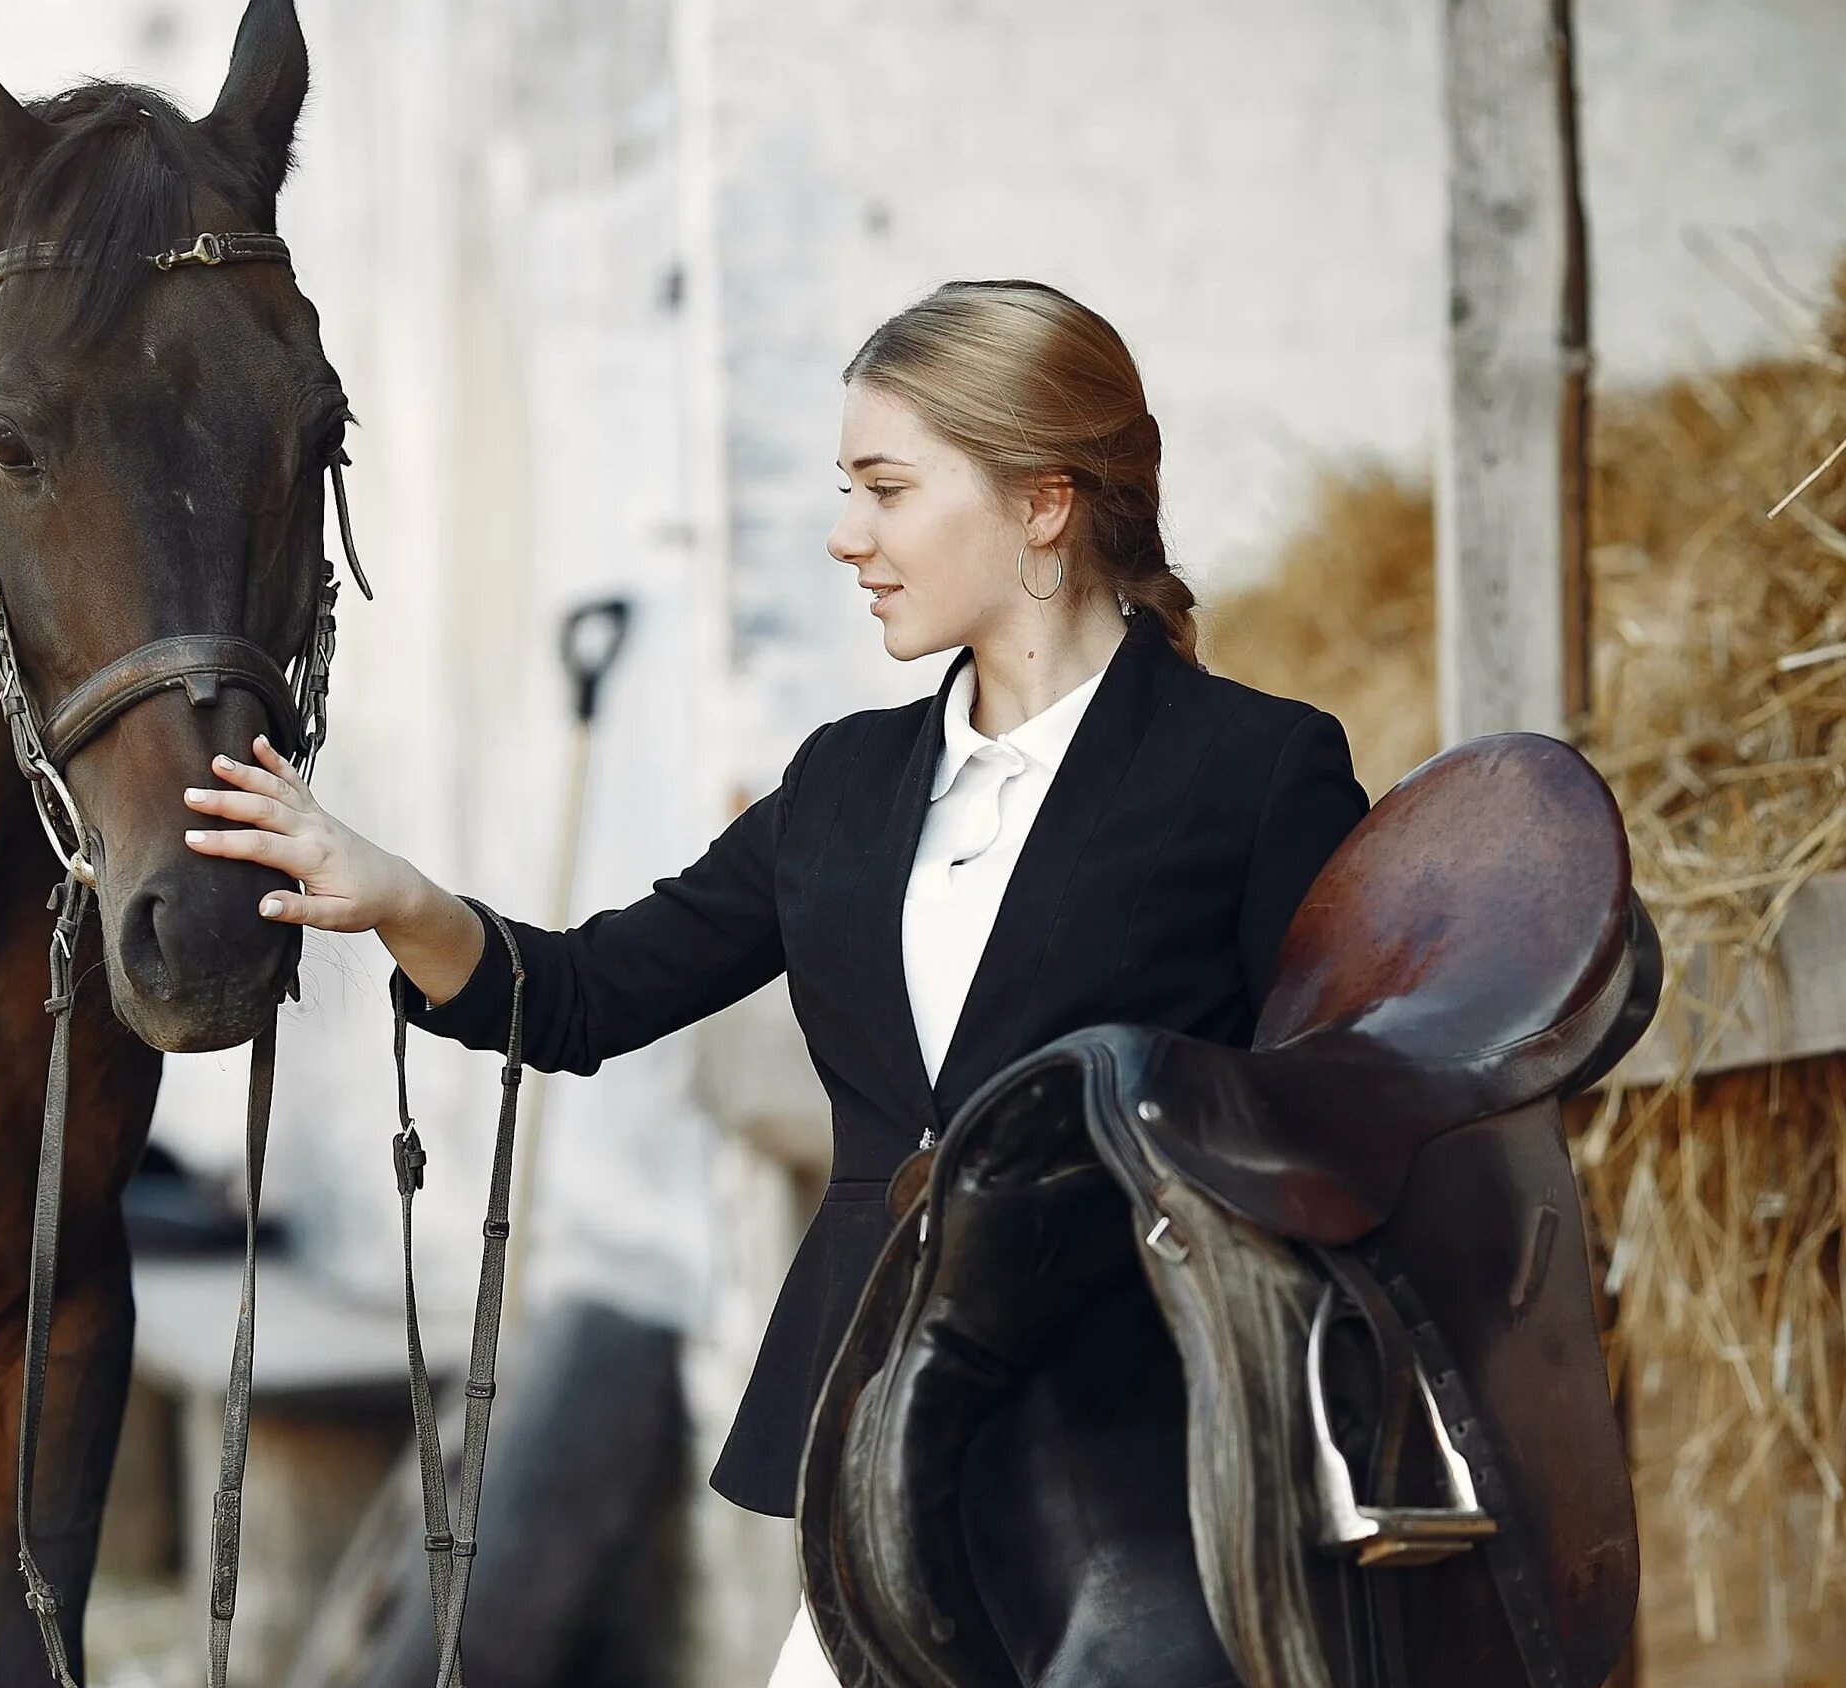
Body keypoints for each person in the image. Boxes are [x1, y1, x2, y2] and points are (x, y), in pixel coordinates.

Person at [180, 279, 1368, 1684]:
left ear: (1043, 503)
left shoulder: (1255, 772)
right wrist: (396, 896)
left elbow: (1334, 1118)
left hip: (1150, 1462)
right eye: (843, 489)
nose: (843, 535)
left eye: (886, 488)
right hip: (877, 1436)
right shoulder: (844, 786)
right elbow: (580, 996)